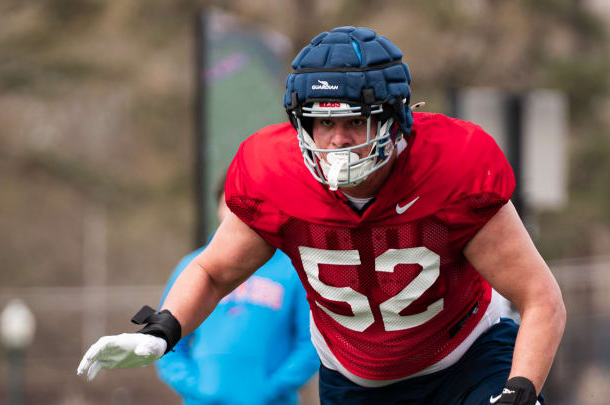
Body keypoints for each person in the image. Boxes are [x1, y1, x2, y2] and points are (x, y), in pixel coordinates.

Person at [78, 26, 566, 405]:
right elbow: (212, 270)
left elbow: (540, 298)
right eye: (323, 122)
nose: (337, 140)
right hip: (355, 380)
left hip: (467, 359)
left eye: (355, 121)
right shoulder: (275, 175)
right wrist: (165, 329)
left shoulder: (452, 166)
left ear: (394, 118)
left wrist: (521, 387)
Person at [154, 178, 319, 405]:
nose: (238, 215)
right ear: (219, 209)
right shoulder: (192, 268)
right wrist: (197, 388)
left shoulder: (294, 270)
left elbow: (310, 343)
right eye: (231, 206)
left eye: (247, 207)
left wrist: (272, 389)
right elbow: (168, 342)